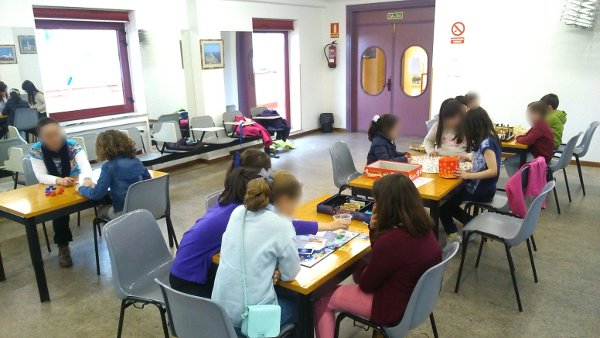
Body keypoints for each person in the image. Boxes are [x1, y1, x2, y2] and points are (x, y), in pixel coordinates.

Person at [170, 167, 348, 298]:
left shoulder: (231, 208)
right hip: (191, 280)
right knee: (293, 302)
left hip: (184, 267)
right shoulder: (239, 213)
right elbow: (288, 227)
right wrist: (329, 227)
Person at [314, 174, 442, 338]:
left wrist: (365, 263)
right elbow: (385, 261)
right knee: (361, 270)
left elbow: (366, 285)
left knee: (322, 299)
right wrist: (376, 232)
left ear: (387, 206)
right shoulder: (423, 228)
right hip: (417, 302)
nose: (375, 205)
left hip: (391, 308)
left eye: (377, 201)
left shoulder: (392, 241)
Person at [212, 171, 303, 331]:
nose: (295, 208)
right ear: (284, 200)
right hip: (250, 318)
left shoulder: (238, 212)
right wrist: (277, 270)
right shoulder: (282, 225)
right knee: (301, 305)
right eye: (295, 203)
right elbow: (290, 274)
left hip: (219, 313)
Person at [30, 118, 93, 267]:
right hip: (53, 185)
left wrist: (86, 179)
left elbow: (85, 167)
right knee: (59, 212)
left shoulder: (72, 146)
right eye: (48, 136)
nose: (54, 138)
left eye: (57, 133)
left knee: (99, 194)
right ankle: (63, 246)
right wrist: (59, 180)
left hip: (75, 183)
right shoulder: (36, 150)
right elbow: (41, 176)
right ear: (41, 138)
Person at [439, 107, 501, 243]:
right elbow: (482, 158)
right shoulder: (489, 137)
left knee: (443, 208)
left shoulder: (487, 144)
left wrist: (467, 176)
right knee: (449, 202)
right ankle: (474, 223)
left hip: (480, 189)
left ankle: (454, 234)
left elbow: (493, 170)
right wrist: (469, 156)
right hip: (482, 187)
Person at [77, 130, 151, 220]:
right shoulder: (136, 161)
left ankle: (114, 232)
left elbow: (97, 194)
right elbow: (148, 180)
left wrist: (81, 188)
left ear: (102, 148)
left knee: (101, 210)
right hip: (141, 208)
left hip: (123, 213)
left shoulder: (108, 167)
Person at [505, 101, 554, 177]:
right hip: (541, 154)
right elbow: (529, 137)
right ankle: (521, 181)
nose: (527, 116)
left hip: (539, 157)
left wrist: (517, 137)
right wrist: (522, 137)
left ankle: (518, 185)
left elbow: (527, 140)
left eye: (528, 113)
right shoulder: (542, 123)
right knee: (514, 159)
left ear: (536, 114)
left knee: (509, 162)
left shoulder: (539, 126)